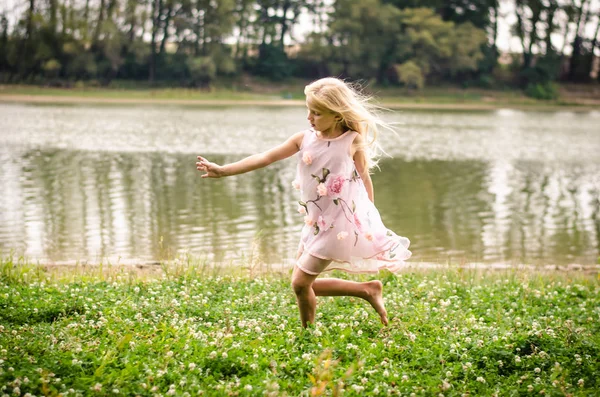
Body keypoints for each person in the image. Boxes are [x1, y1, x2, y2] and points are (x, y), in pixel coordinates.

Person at [196, 77, 411, 327]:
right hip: (315, 222)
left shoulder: (351, 141)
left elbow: (364, 178)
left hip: (340, 224)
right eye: (308, 110)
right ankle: (367, 289)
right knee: (303, 284)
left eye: (317, 113)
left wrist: (369, 219)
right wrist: (223, 171)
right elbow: (265, 157)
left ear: (337, 115)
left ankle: (307, 336)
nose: (310, 118)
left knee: (300, 283)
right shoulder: (303, 138)